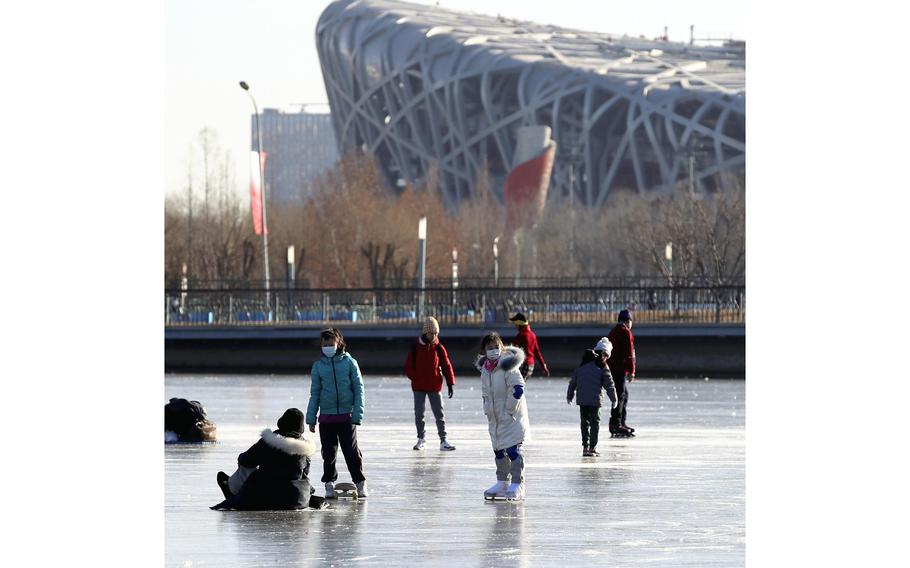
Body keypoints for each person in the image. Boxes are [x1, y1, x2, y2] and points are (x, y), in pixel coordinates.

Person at [211, 408, 325, 510]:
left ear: (282, 422)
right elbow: (305, 473)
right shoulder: (305, 448)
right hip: (295, 500)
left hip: (265, 497)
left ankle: (233, 490)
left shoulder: (269, 441)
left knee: (247, 467)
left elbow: (246, 459)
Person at [306, 328, 368, 498]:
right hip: (326, 419)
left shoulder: (349, 363)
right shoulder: (318, 367)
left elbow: (359, 389)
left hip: (347, 417)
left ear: (338, 343)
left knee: (351, 452)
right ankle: (329, 483)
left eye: (330, 344)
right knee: (328, 453)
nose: (327, 347)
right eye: (324, 344)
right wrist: (311, 418)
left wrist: (357, 414)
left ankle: (360, 483)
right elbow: (315, 393)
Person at [476, 331, 531, 500]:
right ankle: (502, 482)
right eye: (489, 348)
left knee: (513, 450)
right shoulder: (486, 370)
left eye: (496, 347)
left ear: (501, 347)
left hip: (511, 416)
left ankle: (517, 483)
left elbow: (518, 388)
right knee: (499, 450)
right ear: (484, 351)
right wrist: (487, 409)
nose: (493, 350)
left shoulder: (508, 365)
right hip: (495, 418)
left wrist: (509, 408)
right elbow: (486, 393)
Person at [404, 316, 457, 451]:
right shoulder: (415, 347)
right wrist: (416, 378)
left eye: (435, 333)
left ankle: (443, 440)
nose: (433, 336)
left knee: (439, 413)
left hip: (434, 386)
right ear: (425, 333)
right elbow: (408, 367)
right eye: (431, 333)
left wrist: (450, 382)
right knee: (419, 414)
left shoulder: (439, 348)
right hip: (419, 387)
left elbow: (446, 365)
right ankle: (421, 439)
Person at [567, 338, 618, 456]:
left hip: (582, 400)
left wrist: (570, 396)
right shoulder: (602, 366)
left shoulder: (582, 365)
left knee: (584, 423)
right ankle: (592, 448)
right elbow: (609, 384)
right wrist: (614, 399)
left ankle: (585, 447)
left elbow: (573, 382)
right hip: (595, 401)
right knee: (595, 423)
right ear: (605, 354)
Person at [607, 309, 636, 437]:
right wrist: (631, 371)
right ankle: (616, 423)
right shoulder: (625, 332)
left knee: (622, 395)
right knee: (620, 395)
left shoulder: (613, 331)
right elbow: (629, 354)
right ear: (628, 321)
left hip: (611, 368)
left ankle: (620, 422)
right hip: (619, 369)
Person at [509, 312, 550, 379]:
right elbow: (537, 352)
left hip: (524, 364)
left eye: (515, 323)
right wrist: (543, 366)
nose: (515, 325)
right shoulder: (532, 335)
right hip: (531, 366)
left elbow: (513, 350)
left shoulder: (521, 335)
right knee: (519, 385)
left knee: (516, 385)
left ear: (519, 324)